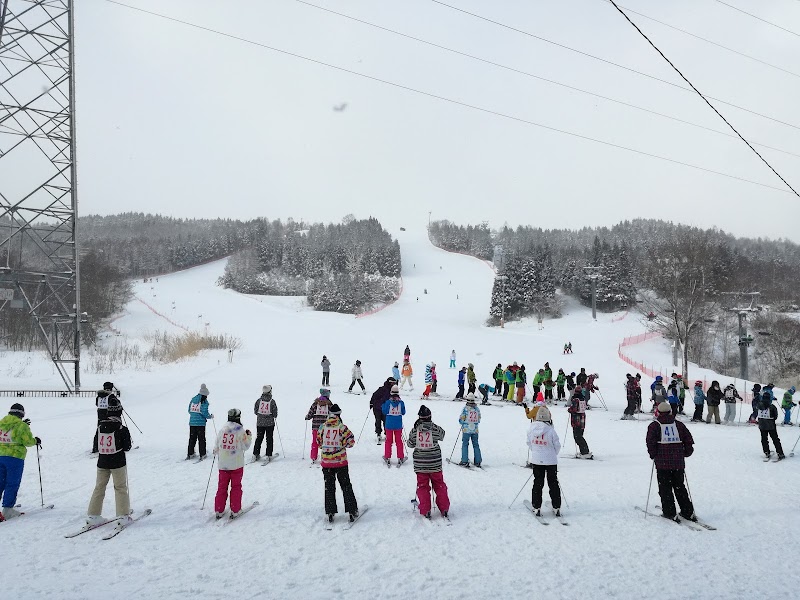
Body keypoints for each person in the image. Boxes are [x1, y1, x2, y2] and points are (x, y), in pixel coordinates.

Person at [646, 401, 696, 522]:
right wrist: (686, 452)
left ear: (658, 412)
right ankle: (687, 512)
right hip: (678, 462)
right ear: (670, 411)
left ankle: (669, 512)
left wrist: (653, 455)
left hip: (663, 463)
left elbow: (650, 442)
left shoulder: (654, 425)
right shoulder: (679, 425)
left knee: (665, 488)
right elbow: (688, 440)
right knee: (680, 487)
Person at [87, 404, 132, 529]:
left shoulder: (100, 427)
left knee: (99, 487)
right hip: (117, 462)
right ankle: (122, 515)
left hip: (102, 462)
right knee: (120, 487)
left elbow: (96, 445)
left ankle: (93, 515)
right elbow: (127, 447)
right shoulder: (121, 428)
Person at [406, 405, 449, 519]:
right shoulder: (434, 428)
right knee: (439, 485)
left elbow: (410, 444)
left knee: (423, 486)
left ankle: (425, 510)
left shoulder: (415, 430)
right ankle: (444, 508)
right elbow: (442, 434)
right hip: (435, 463)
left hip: (421, 464)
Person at [317, 404, 358, 522]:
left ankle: (330, 511)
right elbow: (351, 441)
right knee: (346, 485)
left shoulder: (322, 427)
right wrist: (342, 445)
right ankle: (352, 510)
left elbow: (318, 442)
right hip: (340, 462)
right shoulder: (341, 427)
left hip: (326, 462)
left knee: (329, 486)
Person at [0, 404, 41, 521]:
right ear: (21, 414)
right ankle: (7, 509)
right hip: (14, 458)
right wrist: (36, 441)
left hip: (0, 456)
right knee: (12, 483)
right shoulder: (21, 426)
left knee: (0, 481)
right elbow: (28, 441)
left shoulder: (1, 423)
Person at [213, 409, 253, 518]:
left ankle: (219, 510)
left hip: (223, 464)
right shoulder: (240, 430)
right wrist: (249, 436)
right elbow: (246, 446)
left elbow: (216, 445)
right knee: (236, 487)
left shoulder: (223, 429)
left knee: (222, 487)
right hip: (236, 465)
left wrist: (217, 450)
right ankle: (235, 510)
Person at [526, 406, 562, 516]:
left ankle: (536, 506)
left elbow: (529, 443)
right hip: (551, 461)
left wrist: (537, 452)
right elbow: (557, 446)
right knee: (553, 483)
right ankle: (556, 506)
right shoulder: (551, 430)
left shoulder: (531, 429)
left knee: (538, 483)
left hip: (537, 461)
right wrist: (551, 455)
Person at [305, 389, 333, 462]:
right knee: (325, 442)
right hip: (326, 428)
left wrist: (307, 417)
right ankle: (326, 456)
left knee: (315, 441)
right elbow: (332, 414)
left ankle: (314, 457)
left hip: (316, 427)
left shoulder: (315, 404)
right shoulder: (329, 404)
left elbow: (310, 414)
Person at [187, 384, 213, 461]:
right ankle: (202, 454)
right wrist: (210, 416)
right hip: (200, 423)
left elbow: (189, 410)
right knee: (201, 439)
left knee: (192, 438)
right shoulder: (204, 401)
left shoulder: (193, 399)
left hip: (192, 423)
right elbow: (204, 412)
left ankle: (190, 453)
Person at [92, 381, 120, 454]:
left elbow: (96, 404)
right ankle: (116, 445)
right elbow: (116, 405)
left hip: (100, 417)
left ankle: (96, 447)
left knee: (99, 431)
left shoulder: (99, 396)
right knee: (114, 431)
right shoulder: (111, 396)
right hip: (110, 417)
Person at [382, 385, 407, 466]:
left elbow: (384, 411)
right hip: (398, 425)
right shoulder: (401, 403)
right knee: (399, 441)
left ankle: (387, 456)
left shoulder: (388, 402)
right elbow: (403, 412)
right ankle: (400, 457)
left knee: (388, 441)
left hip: (389, 425)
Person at [252, 385, 278, 462]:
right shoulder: (272, 401)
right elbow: (275, 413)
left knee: (259, 438)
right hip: (269, 424)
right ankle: (268, 455)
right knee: (269, 439)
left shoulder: (258, 401)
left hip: (260, 423)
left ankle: (255, 454)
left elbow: (255, 411)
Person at [756, 392, 785, 461]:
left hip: (762, 425)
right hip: (771, 425)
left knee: (764, 439)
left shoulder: (758, 405)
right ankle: (780, 453)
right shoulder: (772, 406)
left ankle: (766, 452)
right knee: (775, 439)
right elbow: (775, 416)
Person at [568, 386, 592, 458]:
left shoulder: (575, 399)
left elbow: (574, 409)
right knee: (580, 436)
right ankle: (584, 451)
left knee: (577, 437)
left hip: (576, 420)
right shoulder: (583, 399)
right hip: (582, 419)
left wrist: (570, 410)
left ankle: (585, 452)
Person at [458, 394, 482, 467]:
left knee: (465, 444)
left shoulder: (465, 409)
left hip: (466, 430)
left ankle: (464, 460)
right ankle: (478, 460)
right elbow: (479, 418)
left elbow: (461, 418)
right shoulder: (477, 409)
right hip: (475, 430)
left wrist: (462, 422)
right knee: (476, 444)